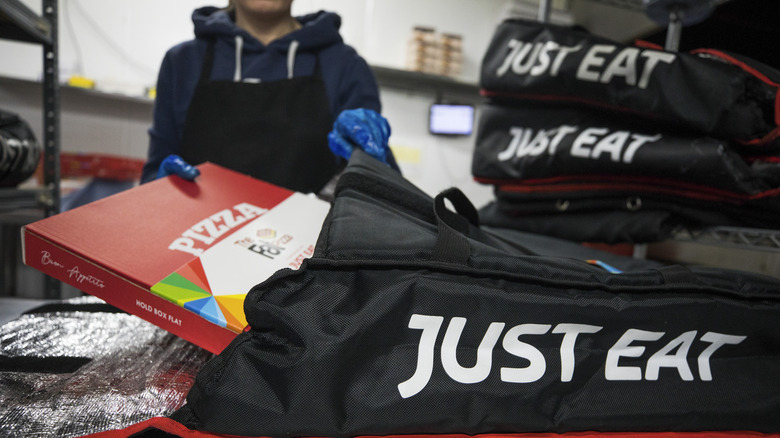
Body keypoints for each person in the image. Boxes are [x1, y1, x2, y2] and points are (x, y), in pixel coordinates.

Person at [141, 0, 396, 193]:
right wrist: (160, 189)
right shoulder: (183, 62)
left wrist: (374, 164)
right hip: (196, 251)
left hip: (309, 255)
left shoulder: (344, 65)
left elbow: (373, 191)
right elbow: (155, 171)